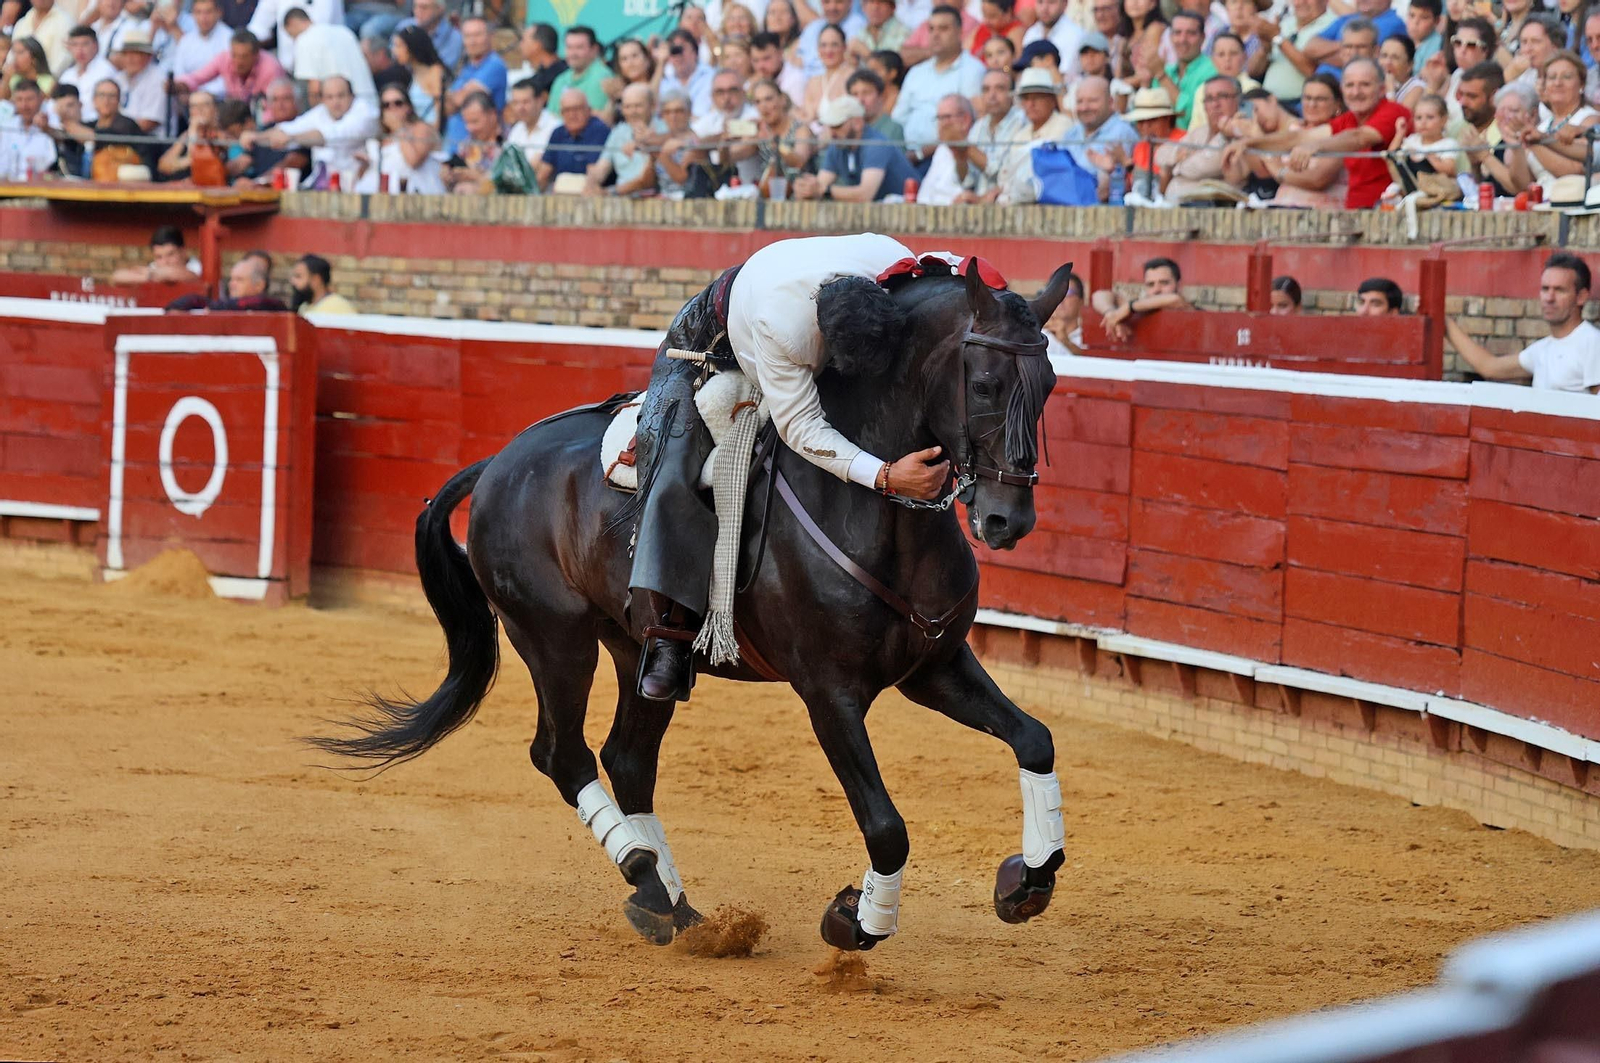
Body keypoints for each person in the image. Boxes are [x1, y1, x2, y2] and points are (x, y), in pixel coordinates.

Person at [627, 231, 946, 701]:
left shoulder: (894, 260)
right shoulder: (782, 329)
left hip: (790, 297)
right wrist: (885, 475)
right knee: (671, 459)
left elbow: (954, 270)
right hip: (713, 333)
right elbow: (800, 426)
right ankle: (667, 632)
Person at [1224, 57, 1408, 208]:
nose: (1356, 92)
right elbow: (1299, 137)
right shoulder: (1349, 119)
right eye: (1350, 85)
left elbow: (1359, 137)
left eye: (1365, 85)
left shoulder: (1393, 111)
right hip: (1355, 212)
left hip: (1387, 213)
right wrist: (1249, 143)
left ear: (1382, 89)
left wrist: (1315, 146)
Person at [1444, 253, 1600, 392]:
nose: (1549, 298)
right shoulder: (1543, 349)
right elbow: (1489, 367)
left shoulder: (1593, 343)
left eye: (1559, 290)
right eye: (1545, 289)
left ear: (1581, 297)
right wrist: (1446, 324)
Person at [241, 74, 376, 184]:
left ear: (352, 96)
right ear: (322, 99)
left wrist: (291, 138)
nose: (335, 102)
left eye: (341, 96)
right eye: (330, 97)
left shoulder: (365, 112)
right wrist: (255, 137)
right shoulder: (321, 112)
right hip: (321, 186)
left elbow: (331, 135)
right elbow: (289, 129)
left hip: (359, 185)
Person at [895, 5, 986, 160]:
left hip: (948, 156)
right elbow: (898, 119)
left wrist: (920, 154)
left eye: (943, 29)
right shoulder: (916, 72)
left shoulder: (974, 71)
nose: (935, 35)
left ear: (960, 32)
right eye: (931, 29)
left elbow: (970, 125)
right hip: (906, 154)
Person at [794, 93, 918, 199]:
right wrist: (806, 188)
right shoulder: (838, 143)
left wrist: (823, 190)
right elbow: (820, 184)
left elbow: (865, 194)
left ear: (858, 123)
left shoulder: (875, 145)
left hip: (909, 211)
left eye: (837, 125)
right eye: (830, 126)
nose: (832, 132)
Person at [1511, 51, 1600, 190]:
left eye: (1567, 77)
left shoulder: (1590, 119)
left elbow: (1575, 170)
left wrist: (1536, 143)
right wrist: (1515, 143)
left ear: (1581, 84)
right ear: (1544, 85)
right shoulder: (1542, 126)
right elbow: (1522, 184)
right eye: (1552, 77)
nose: (1558, 83)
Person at [992, 67, 1070, 204]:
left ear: (1052, 101)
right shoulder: (1021, 134)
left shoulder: (1064, 126)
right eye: (1026, 98)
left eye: (1037, 97)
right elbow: (1005, 175)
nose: (1030, 104)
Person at [1166, 75, 1248, 200]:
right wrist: (1176, 156)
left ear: (1238, 100)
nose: (1215, 104)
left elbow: (1203, 166)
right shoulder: (1201, 131)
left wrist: (1177, 166)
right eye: (1209, 99)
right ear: (1204, 105)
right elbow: (1161, 153)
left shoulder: (1243, 131)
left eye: (1223, 96)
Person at [281, 6, 376, 111]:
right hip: (370, 104)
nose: (293, 39)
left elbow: (314, 87)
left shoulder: (305, 39)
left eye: (290, 34)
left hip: (343, 109)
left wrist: (316, 115)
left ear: (292, 23)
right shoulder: (344, 31)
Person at [733, 74, 816, 185]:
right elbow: (733, 156)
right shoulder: (759, 130)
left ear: (782, 100)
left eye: (768, 99)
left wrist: (774, 142)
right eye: (758, 102)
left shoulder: (800, 129)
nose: (763, 106)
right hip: (770, 190)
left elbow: (799, 162)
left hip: (801, 189)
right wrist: (724, 142)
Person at [1066, 74, 1137, 200]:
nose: (1084, 107)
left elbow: (1112, 187)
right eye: (1079, 101)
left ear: (1110, 102)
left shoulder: (1121, 132)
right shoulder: (1071, 133)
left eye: (1092, 101)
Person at [441, 16, 506, 154]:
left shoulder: (495, 65)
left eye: (477, 35)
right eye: (467, 36)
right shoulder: (465, 68)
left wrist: (453, 96)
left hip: (480, 154)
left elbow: (460, 100)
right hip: (454, 148)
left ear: (490, 36)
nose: (472, 41)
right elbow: (447, 107)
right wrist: (454, 98)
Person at [1092, 257, 1193, 342]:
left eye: (1164, 283)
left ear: (1179, 285)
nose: (1157, 290)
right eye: (1151, 284)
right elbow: (1099, 295)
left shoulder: (1185, 307)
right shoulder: (1139, 308)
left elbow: (1175, 300)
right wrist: (1111, 313)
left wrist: (1129, 307)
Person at [585, 82, 660, 197]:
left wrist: (610, 192)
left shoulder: (663, 131)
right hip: (621, 198)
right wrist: (592, 181)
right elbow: (602, 168)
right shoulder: (618, 132)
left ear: (652, 106)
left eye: (638, 106)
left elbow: (648, 181)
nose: (633, 112)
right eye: (627, 107)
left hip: (653, 198)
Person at [177, 28, 286, 102]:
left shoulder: (271, 68)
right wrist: (180, 85)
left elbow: (277, 107)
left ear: (256, 55)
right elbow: (197, 77)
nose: (238, 61)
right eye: (234, 55)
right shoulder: (225, 58)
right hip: (234, 116)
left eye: (244, 56)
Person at [693, 67, 761, 184]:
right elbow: (692, 141)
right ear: (712, 97)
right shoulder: (711, 118)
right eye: (720, 92)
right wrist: (723, 137)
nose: (727, 97)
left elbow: (751, 133)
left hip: (751, 186)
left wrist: (714, 141)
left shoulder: (756, 114)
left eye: (732, 90)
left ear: (743, 92)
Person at [1148, 10, 1215, 130]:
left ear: (1203, 37)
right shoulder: (1167, 70)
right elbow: (1150, 116)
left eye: (1191, 33)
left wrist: (1161, 76)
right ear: (1170, 37)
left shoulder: (1212, 70)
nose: (1183, 39)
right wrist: (1145, 82)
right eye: (1177, 33)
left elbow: (1189, 116)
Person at [1260, 0, 1334, 105]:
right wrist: (1265, 48)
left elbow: (1313, 71)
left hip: (1303, 104)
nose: (1301, 2)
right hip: (1268, 102)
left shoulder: (1333, 24)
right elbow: (1254, 72)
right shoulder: (1285, 24)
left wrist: (1277, 38)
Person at [967, 66, 1025, 198]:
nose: (992, 96)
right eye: (986, 90)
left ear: (1012, 95)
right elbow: (968, 180)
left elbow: (1002, 174)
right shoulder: (978, 126)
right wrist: (959, 156)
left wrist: (967, 149)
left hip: (1007, 203)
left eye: (999, 89)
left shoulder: (1022, 122)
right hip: (979, 201)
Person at [538, 87, 609, 191]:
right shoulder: (558, 133)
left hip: (589, 193)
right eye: (567, 110)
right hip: (560, 192)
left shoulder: (599, 130)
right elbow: (543, 173)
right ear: (561, 113)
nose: (572, 115)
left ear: (588, 110)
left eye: (577, 109)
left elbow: (593, 175)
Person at [919, 92, 979, 203]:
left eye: (946, 117)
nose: (941, 124)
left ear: (965, 120)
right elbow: (924, 195)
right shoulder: (942, 149)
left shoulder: (977, 146)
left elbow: (964, 193)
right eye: (939, 118)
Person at [443, 90, 503, 195]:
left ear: (492, 115)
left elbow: (508, 186)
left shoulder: (509, 141)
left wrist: (476, 177)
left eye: (475, 121)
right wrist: (449, 175)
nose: (469, 128)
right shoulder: (467, 144)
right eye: (466, 122)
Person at [157, 89, 226, 178]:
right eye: (194, 106)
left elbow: (201, 162)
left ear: (215, 109)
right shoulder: (186, 135)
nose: (199, 110)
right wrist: (193, 132)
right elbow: (163, 165)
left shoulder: (221, 134)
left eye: (205, 105)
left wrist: (180, 163)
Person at [546, 25, 613, 115]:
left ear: (594, 49)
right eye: (569, 47)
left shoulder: (603, 77)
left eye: (579, 47)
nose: (573, 53)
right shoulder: (560, 80)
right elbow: (551, 116)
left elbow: (596, 118)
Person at [58, 26, 119, 120]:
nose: (79, 50)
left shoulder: (105, 71)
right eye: (75, 45)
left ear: (95, 46)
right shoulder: (67, 75)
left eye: (85, 44)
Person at [112, 27, 166, 133]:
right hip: (120, 136)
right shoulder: (119, 78)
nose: (129, 59)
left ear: (148, 57)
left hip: (149, 139)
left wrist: (114, 134)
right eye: (126, 54)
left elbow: (149, 122)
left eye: (135, 54)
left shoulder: (158, 79)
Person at [0, 79, 56, 178]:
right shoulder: (7, 127)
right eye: (19, 99)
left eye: (29, 99)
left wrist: (47, 129)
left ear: (41, 99)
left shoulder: (52, 122)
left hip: (40, 185)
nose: (24, 105)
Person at [169, 0, 230, 89]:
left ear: (218, 13)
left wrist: (201, 92)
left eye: (208, 12)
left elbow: (227, 80)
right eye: (198, 12)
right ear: (193, 14)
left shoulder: (228, 39)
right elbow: (178, 72)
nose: (203, 18)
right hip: (186, 92)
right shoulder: (186, 40)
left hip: (217, 95)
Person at [392, 24, 444, 129]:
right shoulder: (413, 73)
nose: (394, 51)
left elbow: (439, 116)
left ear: (412, 46)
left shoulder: (434, 73)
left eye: (399, 46)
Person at [799, 21, 850, 124]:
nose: (828, 51)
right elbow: (808, 117)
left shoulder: (852, 76)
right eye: (823, 45)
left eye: (834, 45)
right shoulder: (813, 81)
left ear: (844, 47)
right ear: (818, 49)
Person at [112, 225, 201, 283]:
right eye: (159, 257)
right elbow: (117, 276)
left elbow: (175, 274)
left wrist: (151, 274)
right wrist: (149, 277)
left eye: (170, 255)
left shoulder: (198, 268)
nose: (165, 262)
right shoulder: (153, 270)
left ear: (183, 251)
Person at [795, 0, 862, 75]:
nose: (832, 7)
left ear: (850, 3)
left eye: (838, 2)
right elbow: (797, 59)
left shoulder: (859, 27)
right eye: (827, 2)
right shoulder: (813, 27)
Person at [1023, 0, 1085, 78]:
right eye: (1040, 2)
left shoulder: (1076, 35)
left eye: (1051, 2)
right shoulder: (1031, 33)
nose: (1044, 8)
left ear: (1065, 4)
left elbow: (1065, 74)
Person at [506, 77, 559, 167]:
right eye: (516, 103)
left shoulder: (554, 127)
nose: (520, 108)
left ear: (540, 101)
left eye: (525, 102)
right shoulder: (517, 129)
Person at [391, 0, 458, 70]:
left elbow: (443, 69)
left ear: (439, 9)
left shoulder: (453, 37)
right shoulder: (404, 26)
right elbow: (392, 55)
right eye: (415, 6)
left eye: (424, 7)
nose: (418, 11)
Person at [9, 0, 71, 73]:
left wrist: (46, 79)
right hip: (18, 77)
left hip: (48, 77)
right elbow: (11, 56)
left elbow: (62, 61)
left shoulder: (65, 22)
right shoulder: (22, 23)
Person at [751, 29, 807, 106]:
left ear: (780, 53)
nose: (760, 66)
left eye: (766, 58)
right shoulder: (753, 82)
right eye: (755, 60)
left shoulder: (796, 79)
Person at [848, 67, 903, 145]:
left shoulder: (893, 129)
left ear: (881, 96)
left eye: (866, 93)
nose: (860, 100)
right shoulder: (846, 128)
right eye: (855, 94)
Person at [212, 255, 288, 310]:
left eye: (239, 280)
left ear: (259, 285)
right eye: (231, 279)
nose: (232, 284)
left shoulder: (269, 305)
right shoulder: (226, 306)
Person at [46, 84, 91, 176]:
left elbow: (90, 137)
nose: (65, 111)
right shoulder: (55, 131)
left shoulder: (92, 125)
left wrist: (65, 121)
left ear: (80, 104)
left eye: (70, 105)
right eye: (61, 107)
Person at [290, 253, 355, 314]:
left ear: (316, 279)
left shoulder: (339, 307)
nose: (293, 281)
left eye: (298, 276)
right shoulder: (303, 307)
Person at [520, 23, 566, 98]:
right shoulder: (536, 79)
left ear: (537, 45)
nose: (520, 45)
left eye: (523, 40)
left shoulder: (565, 76)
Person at [1381, 33, 1425, 111]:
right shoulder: (1376, 84)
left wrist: (1390, 91)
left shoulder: (1417, 88)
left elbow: (1396, 116)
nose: (1387, 62)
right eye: (1384, 56)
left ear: (1410, 65)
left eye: (1395, 58)